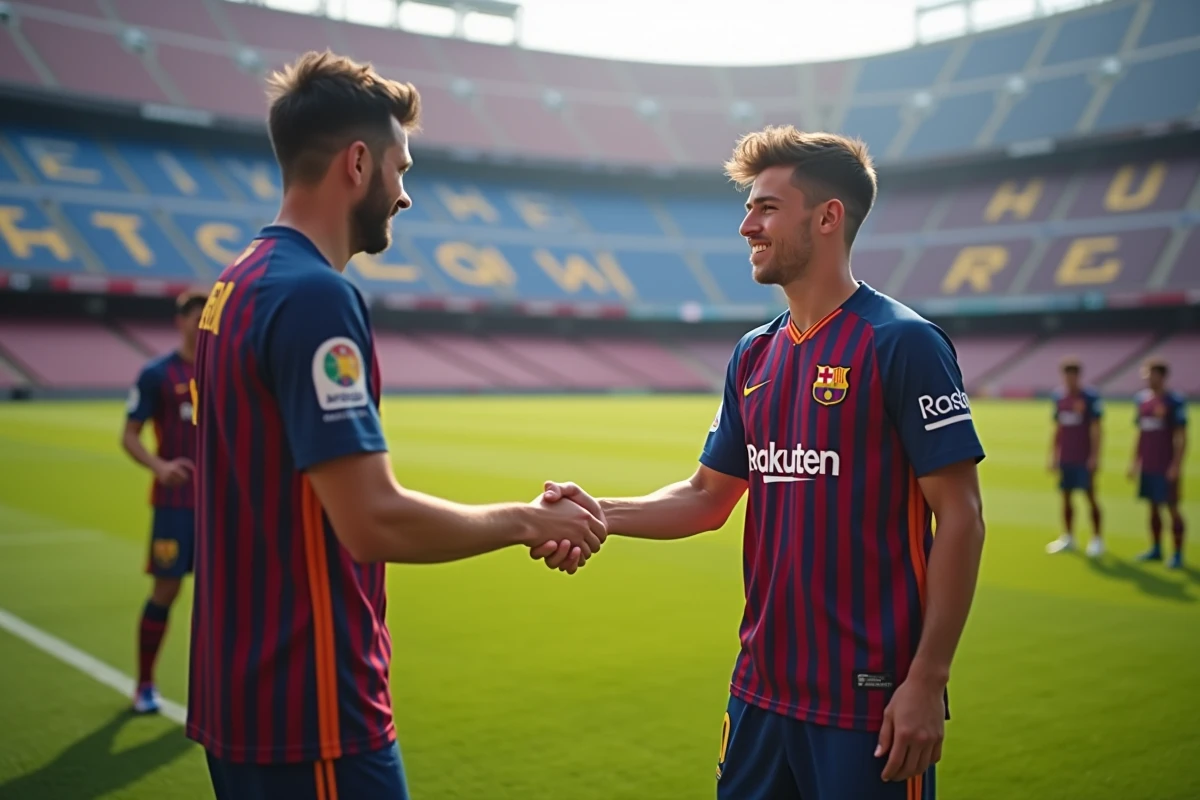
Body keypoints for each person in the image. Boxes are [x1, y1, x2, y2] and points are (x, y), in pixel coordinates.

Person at [187, 50, 604, 800]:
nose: (405, 195)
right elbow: (373, 521)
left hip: (239, 691)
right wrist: (527, 522)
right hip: (308, 702)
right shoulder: (315, 297)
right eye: (400, 169)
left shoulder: (237, 280)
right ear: (357, 163)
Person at [545, 126, 986, 800]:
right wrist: (595, 513)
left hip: (866, 702)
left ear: (828, 217)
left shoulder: (902, 343)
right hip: (760, 692)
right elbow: (704, 497)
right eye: (750, 208)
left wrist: (926, 680)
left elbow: (962, 517)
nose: (747, 225)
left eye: (767, 208)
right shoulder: (755, 354)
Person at [120, 289, 206, 714]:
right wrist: (159, 466)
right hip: (174, 505)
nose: (202, 323)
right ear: (181, 321)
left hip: (220, 509)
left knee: (222, 598)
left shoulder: (225, 373)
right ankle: (145, 683)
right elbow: (129, 435)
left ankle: (215, 691)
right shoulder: (157, 373)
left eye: (209, 316)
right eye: (196, 316)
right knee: (166, 590)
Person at [1129, 359, 1187, 568]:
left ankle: (1178, 553)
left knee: (1172, 508)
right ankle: (1156, 548)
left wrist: (1176, 465)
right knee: (1152, 507)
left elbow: (1181, 437)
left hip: (1166, 465)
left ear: (1161, 376)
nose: (1146, 378)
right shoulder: (1142, 400)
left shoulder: (1174, 401)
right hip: (1148, 465)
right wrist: (1135, 461)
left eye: (1150, 374)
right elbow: (1141, 433)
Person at [1045, 359, 1104, 557]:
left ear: (1078, 376)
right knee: (1066, 496)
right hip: (1066, 456)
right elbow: (1058, 428)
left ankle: (1097, 539)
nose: (1069, 379)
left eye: (1073, 375)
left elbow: (1097, 429)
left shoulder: (1089, 398)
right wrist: (1053, 455)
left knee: (1090, 496)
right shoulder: (1059, 397)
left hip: (1083, 456)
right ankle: (1068, 537)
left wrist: (1095, 456)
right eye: (1066, 375)